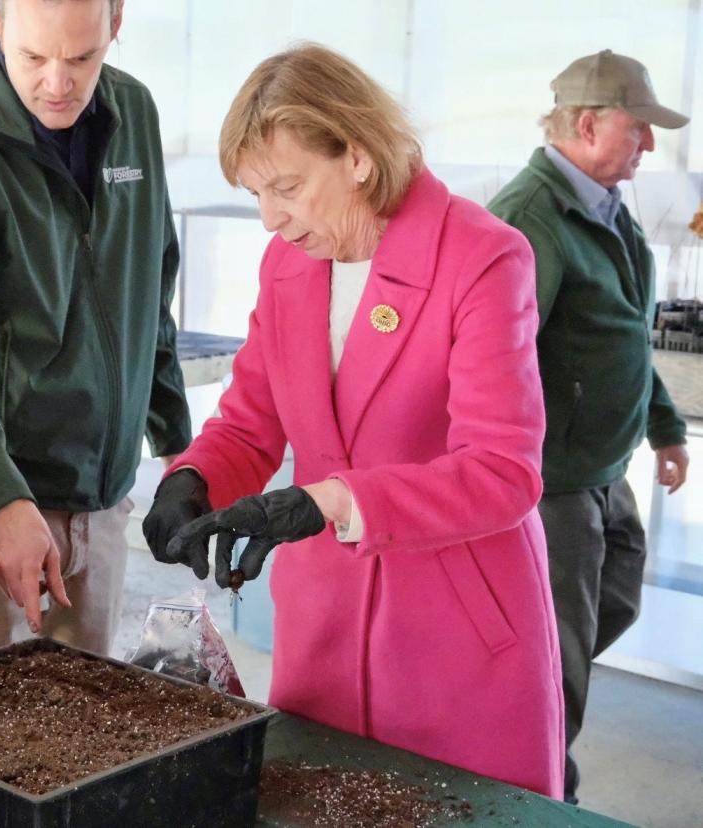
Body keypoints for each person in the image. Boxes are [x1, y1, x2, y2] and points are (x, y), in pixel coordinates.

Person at [143, 44, 564, 797]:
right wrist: (193, 479)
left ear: (359, 157)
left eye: (288, 189)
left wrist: (335, 500)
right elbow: (249, 424)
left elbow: (504, 472)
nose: (270, 219)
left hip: (455, 638)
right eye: (256, 194)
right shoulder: (288, 266)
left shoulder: (484, 256)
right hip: (324, 627)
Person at [0, 0, 191, 670]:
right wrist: (2, 501)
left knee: (83, 729)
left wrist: (179, 448)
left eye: (81, 58)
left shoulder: (133, 114)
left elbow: (151, 282)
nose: (58, 82)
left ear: (116, 25)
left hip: (98, 489)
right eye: (34, 58)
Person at [487, 49, 690, 804]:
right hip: (554, 483)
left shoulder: (605, 209)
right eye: (638, 130)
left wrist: (664, 425)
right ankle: (545, 796)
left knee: (614, 602)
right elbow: (490, 361)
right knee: (561, 661)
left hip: (605, 469)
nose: (649, 146)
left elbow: (628, 333)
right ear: (586, 123)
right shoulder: (530, 218)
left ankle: (515, 698)